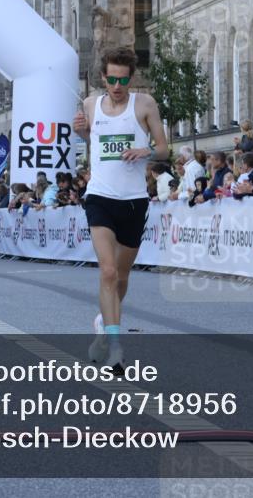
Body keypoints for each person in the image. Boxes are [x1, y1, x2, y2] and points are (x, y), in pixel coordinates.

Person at [73, 47, 168, 371]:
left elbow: (165, 148)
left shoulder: (144, 104)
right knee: (108, 272)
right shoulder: (90, 103)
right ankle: (114, 346)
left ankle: (103, 324)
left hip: (133, 199)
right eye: (111, 79)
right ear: (103, 77)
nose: (116, 85)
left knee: (122, 277)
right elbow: (93, 140)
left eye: (122, 80)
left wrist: (145, 149)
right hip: (99, 196)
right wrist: (81, 131)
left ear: (130, 78)